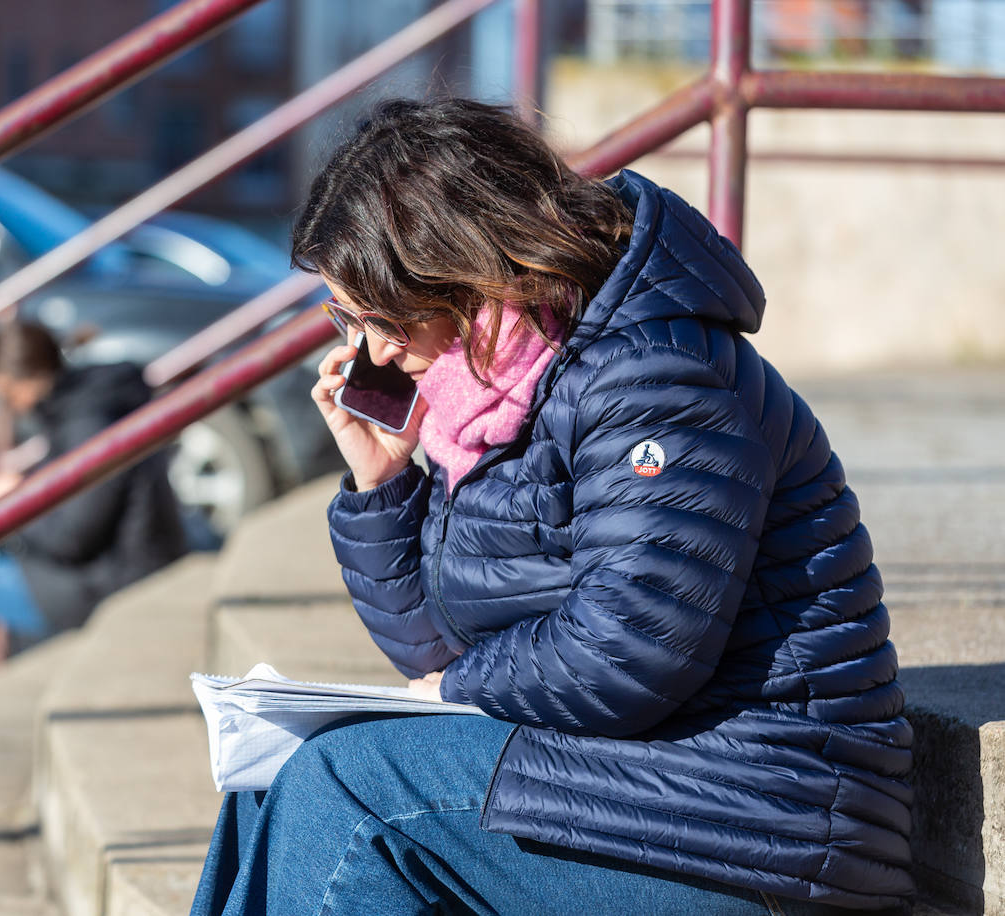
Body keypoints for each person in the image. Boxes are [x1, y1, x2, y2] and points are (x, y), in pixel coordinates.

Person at [190, 99, 912, 915]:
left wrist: (454, 692)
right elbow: (435, 646)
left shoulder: (654, 377)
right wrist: (383, 484)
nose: (375, 351)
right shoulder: (491, 401)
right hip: (643, 780)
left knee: (350, 788)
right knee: (272, 778)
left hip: (759, 818)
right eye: (348, 318)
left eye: (385, 316)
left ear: (464, 266)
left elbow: (632, 649)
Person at [0, 320, 187, 705]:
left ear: (21, 382)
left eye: (6, 397)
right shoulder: (92, 400)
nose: (10, 409)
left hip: (113, 581)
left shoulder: (88, 421)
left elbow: (73, 536)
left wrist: (14, 503)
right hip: (123, 565)